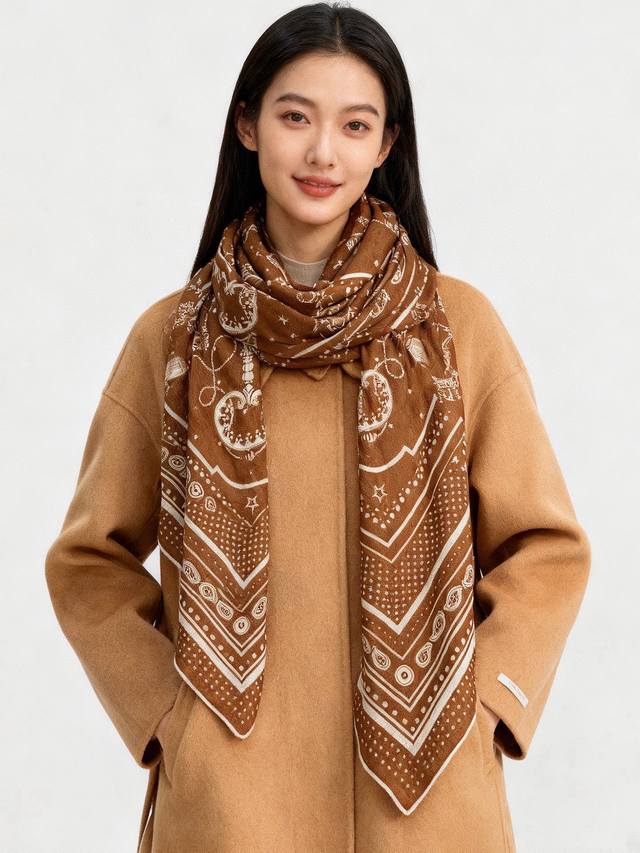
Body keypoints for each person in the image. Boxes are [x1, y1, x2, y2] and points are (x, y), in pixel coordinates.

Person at [44, 3, 591, 851]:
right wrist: (170, 716)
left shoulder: (458, 330)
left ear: (386, 145)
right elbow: (88, 561)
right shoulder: (174, 340)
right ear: (248, 126)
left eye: (355, 125)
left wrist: (482, 705)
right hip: (231, 811)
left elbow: (546, 548)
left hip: (426, 802)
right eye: (296, 117)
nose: (323, 152)